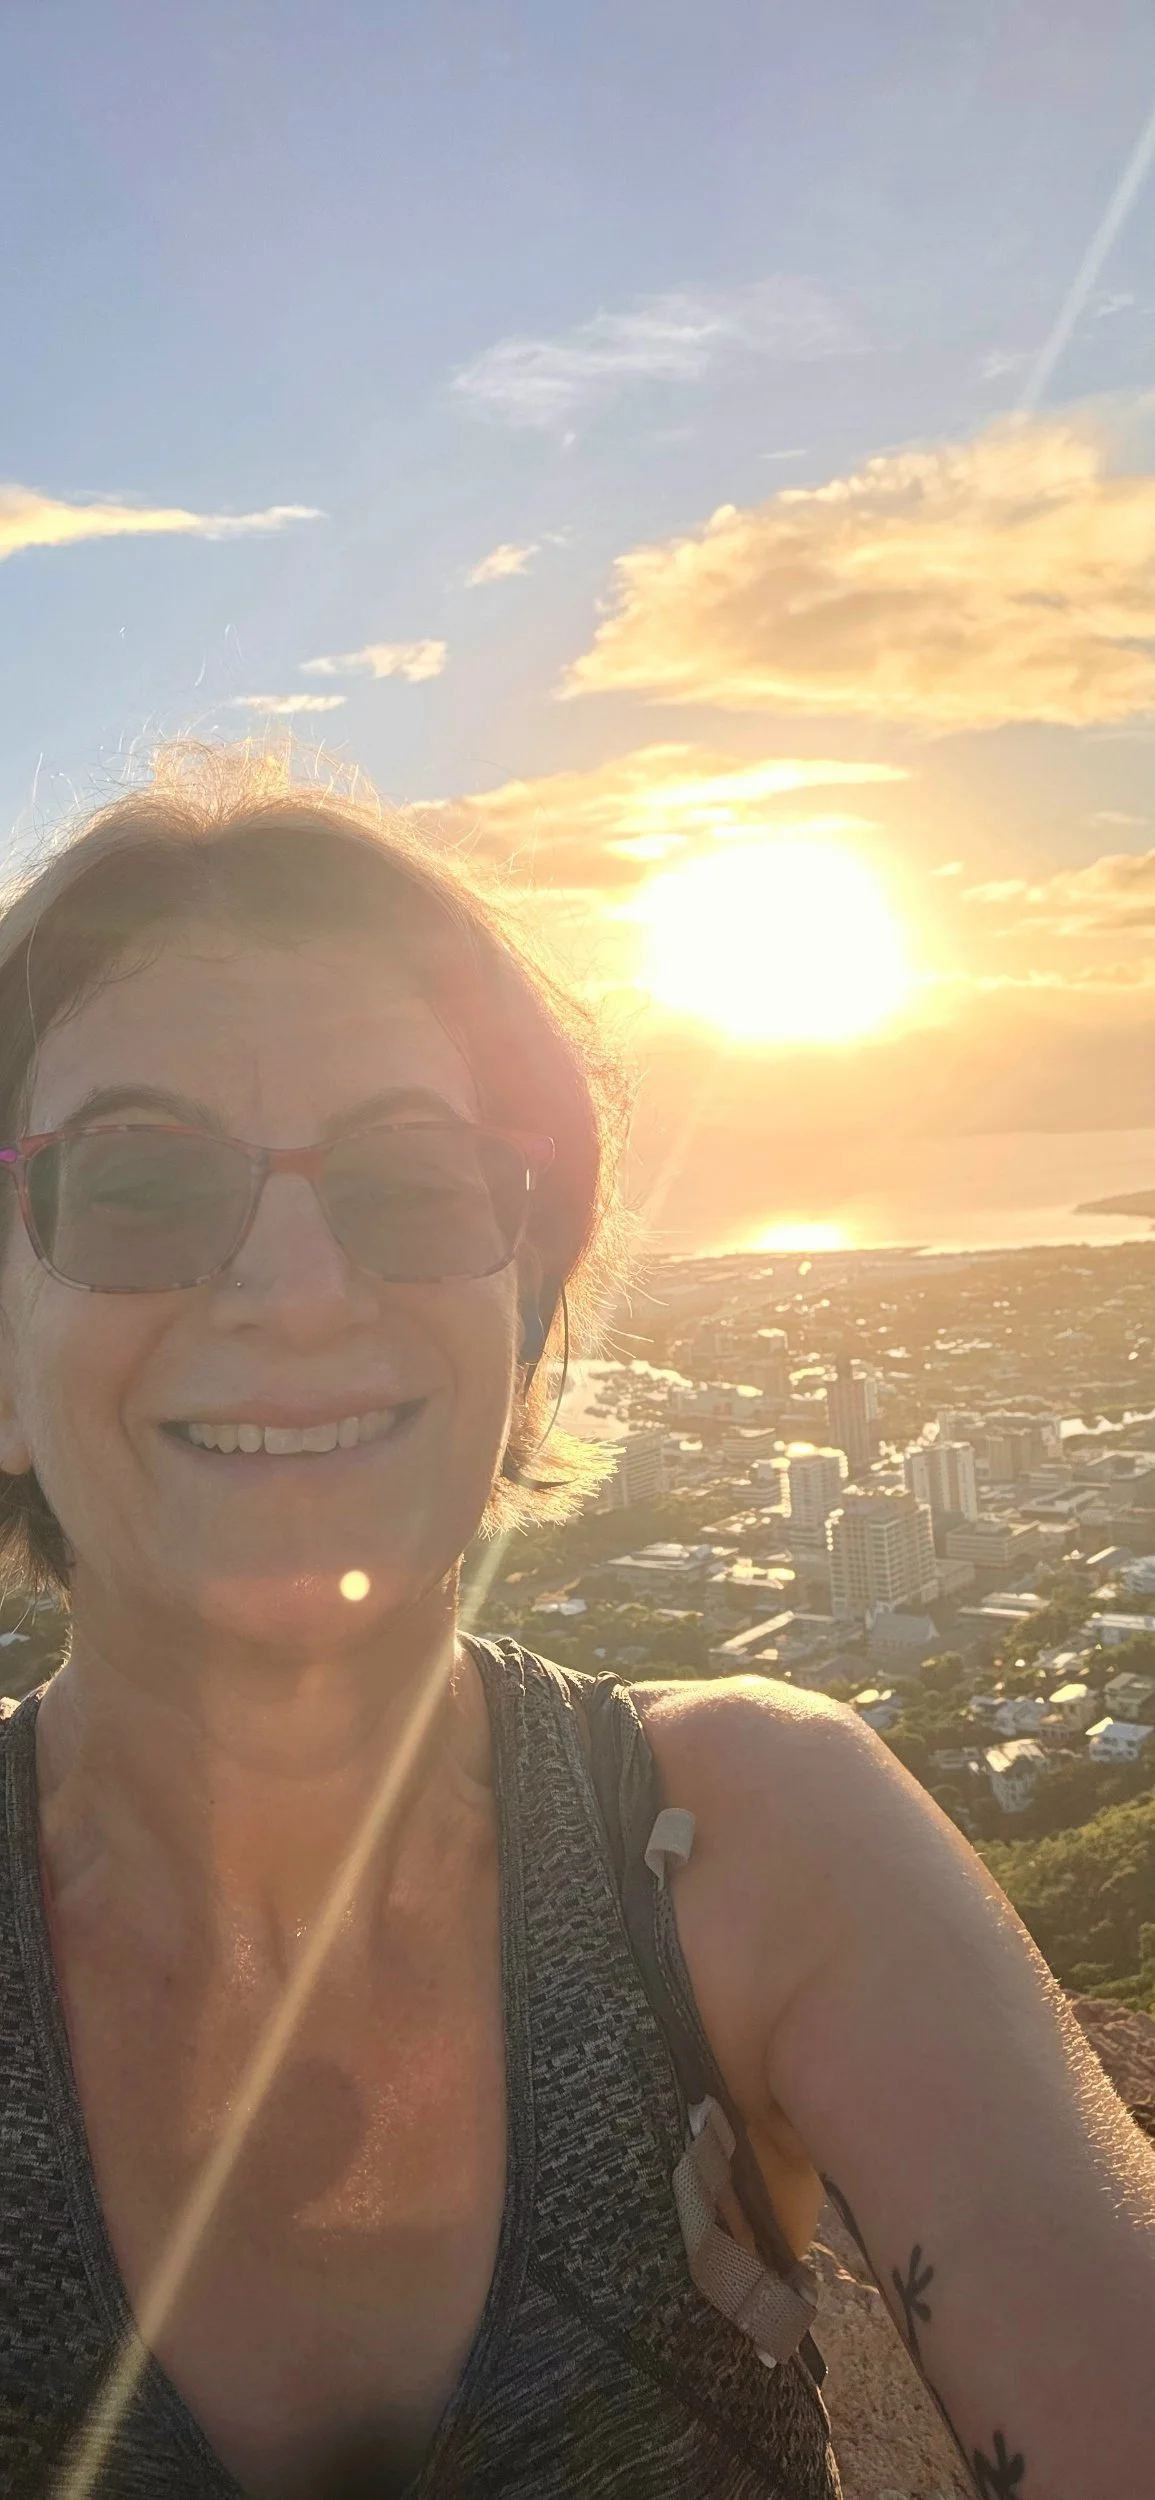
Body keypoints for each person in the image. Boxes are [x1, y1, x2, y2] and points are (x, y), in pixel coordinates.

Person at [0, 745, 1150, 2500]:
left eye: (410, 1183)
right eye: (138, 1184)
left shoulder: (751, 1841)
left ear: (524, 1337)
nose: (296, 1294)